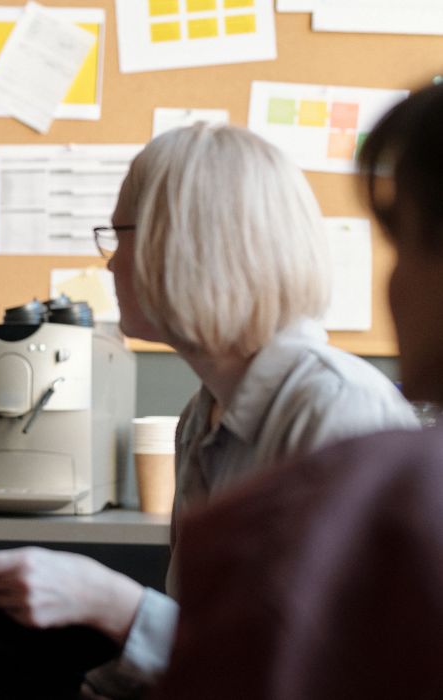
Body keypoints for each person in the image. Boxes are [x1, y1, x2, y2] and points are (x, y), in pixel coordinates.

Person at [0, 124, 419, 698]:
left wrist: (113, 604)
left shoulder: (337, 410)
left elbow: (324, 668)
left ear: (188, 244)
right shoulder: (201, 415)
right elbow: (205, 652)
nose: (109, 265)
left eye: (119, 237)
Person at [156, 81, 443, 699]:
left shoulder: (350, 418)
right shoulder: (197, 416)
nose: (392, 286)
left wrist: (121, 613)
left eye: (406, 244)